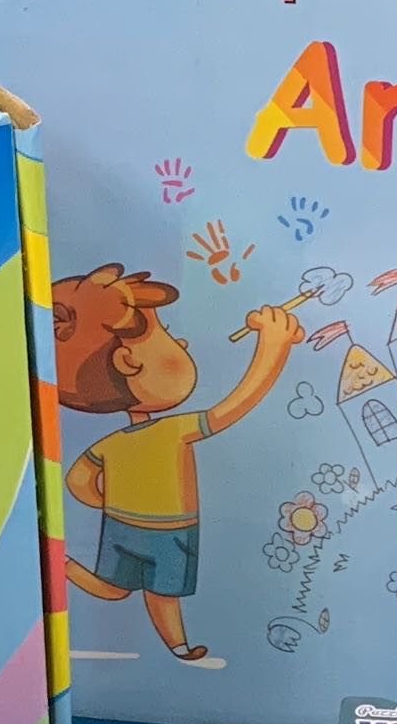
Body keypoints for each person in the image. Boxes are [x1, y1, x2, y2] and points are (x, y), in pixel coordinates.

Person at [52, 265, 302, 664]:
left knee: (116, 588)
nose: (182, 340)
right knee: (163, 592)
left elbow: (78, 481)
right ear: (128, 362)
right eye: (165, 336)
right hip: (170, 530)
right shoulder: (173, 431)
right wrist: (273, 348)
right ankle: (178, 646)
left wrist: (112, 500)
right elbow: (234, 407)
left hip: (122, 525)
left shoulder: (112, 443)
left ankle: (63, 567)